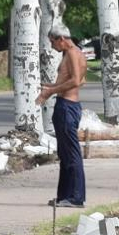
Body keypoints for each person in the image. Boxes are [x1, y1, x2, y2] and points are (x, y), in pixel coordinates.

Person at [37, 22, 87, 209]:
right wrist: (50, 86)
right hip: (67, 105)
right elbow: (81, 80)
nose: (52, 46)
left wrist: (51, 91)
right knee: (65, 153)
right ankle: (64, 195)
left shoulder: (73, 53)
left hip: (68, 106)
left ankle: (76, 197)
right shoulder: (74, 54)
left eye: (53, 42)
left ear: (61, 39)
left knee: (72, 153)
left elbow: (75, 80)